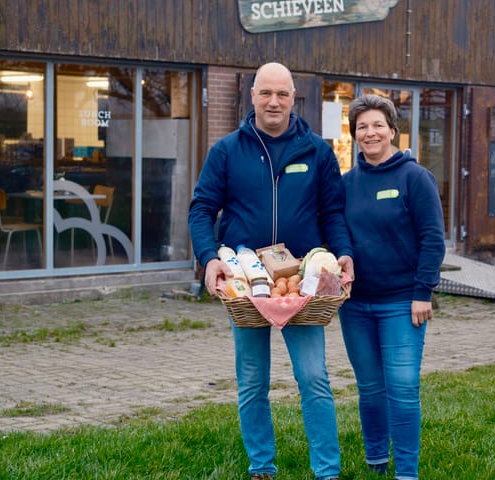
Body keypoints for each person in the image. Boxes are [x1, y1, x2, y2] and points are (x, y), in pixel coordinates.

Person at [188, 62, 353, 480]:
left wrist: (344, 253)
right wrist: (209, 258)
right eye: (266, 93)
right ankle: (262, 466)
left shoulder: (317, 150)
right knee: (251, 382)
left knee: (314, 378)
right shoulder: (227, 150)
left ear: (293, 96)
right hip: (246, 284)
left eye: (282, 94)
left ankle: (327, 471)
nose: (274, 102)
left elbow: (333, 212)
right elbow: (202, 209)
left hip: (303, 284)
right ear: (252, 96)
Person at [339, 94, 446, 480]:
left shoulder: (414, 177)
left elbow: (433, 238)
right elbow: (340, 235)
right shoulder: (346, 183)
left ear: (392, 131)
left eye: (377, 125)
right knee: (369, 388)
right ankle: (376, 462)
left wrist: (423, 291)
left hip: (403, 302)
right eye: (362, 127)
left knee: (401, 389)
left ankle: (406, 472)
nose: (370, 133)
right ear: (355, 135)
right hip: (356, 306)